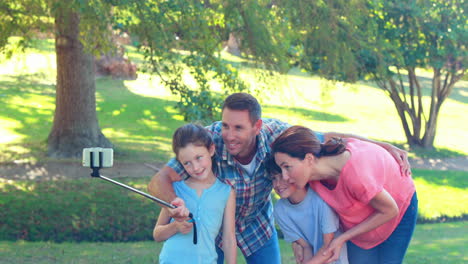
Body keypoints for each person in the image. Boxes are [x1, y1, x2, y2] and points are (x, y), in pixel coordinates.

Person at [148, 93, 410, 264]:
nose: (228, 135)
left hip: (257, 226)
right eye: (226, 125)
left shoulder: (277, 135)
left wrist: (383, 145)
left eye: (238, 128)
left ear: (257, 127)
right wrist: (176, 205)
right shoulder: (208, 141)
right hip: (213, 230)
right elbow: (159, 180)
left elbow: (326, 137)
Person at [271, 125, 418, 264]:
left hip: (398, 205)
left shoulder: (356, 176)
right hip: (361, 216)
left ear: (309, 159)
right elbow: (330, 135)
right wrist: (299, 243)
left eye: (287, 167)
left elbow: (390, 210)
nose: (284, 177)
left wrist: (342, 238)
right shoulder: (313, 153)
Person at [153, 123, 236, 264]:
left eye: (199, 157)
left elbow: (228, 239)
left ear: (211, 150)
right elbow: (157, 234)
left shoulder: (226, 192)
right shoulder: (175, 190)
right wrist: (175, 226)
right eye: (187, 163)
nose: (195, 167)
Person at [267, 157, 349, 264]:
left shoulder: (321, 200)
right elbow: (305, 246)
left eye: (282, 177)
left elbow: (329, 247)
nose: (277, 184)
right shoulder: (280, 210)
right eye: (274, 178)